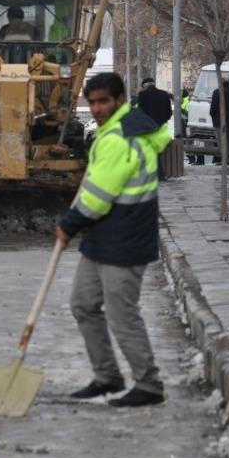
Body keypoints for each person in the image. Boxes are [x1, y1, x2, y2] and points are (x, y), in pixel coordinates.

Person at [57, 72, 173, 408]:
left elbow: (97, 196)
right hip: (104, 236)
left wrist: (69, 224)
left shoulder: (118, 138)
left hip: (125, 237)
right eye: (92, 102)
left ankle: (149, 384)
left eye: (103, 101)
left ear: (119, 100)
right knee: (83, 303)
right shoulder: (115, 131)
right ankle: (107, 375)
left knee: (122, 314)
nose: (96, 108)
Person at [209, 79, 229, 164]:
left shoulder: (217, 92)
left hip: (219, 122)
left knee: (222, 142)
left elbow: (213, 108)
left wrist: (213, 116)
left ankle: (225, 159)